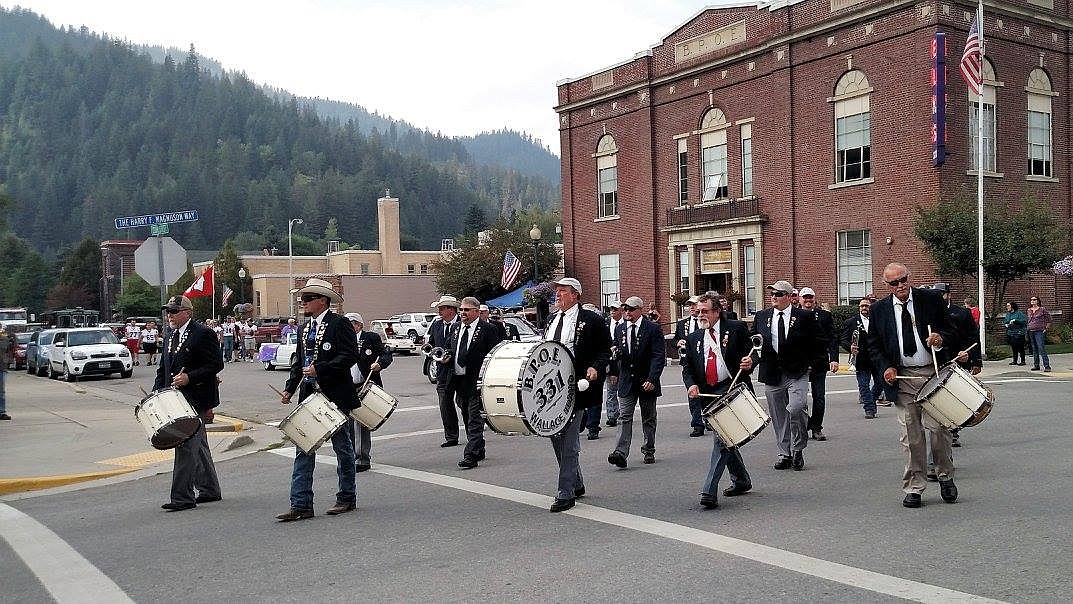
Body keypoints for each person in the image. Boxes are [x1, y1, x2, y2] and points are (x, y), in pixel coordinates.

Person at [865, 263, 957, 508]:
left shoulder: (931, 299)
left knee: (939, 431)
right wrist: (886, 366)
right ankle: (914, 487)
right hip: (903, 377)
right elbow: (873, 344)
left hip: (933, 372)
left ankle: (945, 476)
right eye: (894, 283)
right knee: (911, 435)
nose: (900, 286)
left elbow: (951, 328)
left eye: (903, 280)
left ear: (909, 277)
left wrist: (940, 339)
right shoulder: (879, 310)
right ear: (886, 285)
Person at [276, 278, 361, 521]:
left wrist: (321, 369)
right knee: (304, 447)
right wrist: (290, 389)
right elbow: (299, 361)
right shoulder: (304, 328)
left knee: (342, 447)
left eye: (307, 299)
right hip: (310, 395)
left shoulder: (339, 324)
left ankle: (347, 496)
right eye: (302, 299)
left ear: (322, 301)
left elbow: (349, 356)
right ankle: (301, 503)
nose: (302, 303)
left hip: (335, 395)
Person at [543, 277, 611, 512]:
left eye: (563, 291)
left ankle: (565, 492)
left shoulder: (591, 320)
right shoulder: (552, 319)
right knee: (554, 433)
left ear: (575, 295)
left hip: (577, 385)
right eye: (557, 292)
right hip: (552, 387)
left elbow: (605, 350)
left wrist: (596, 367)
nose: (558, 295)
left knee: (570, 440)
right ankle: (576, 482)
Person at [682, 294, 755, 509]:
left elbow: (755, 351)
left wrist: (751, 361)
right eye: (698, 310)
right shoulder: (694, 338)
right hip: (708, 394)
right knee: (726, 438)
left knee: (722, 438)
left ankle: (709, 490)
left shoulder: (737, 328)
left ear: (716, 312)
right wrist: (691, 385)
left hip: (732, 389)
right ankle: (741, 480)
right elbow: (688, 368)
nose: (699, 314)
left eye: (704, 311)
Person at [154, 296, 224, 511]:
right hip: (176, 400)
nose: (170, 315)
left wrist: (190, 377)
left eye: (174, 311)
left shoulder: (203, 333)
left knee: (185, 446)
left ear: (188, 312)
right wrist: (157, 392)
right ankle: (210, 489)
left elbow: (216, 364)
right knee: (198, 445)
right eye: (168, 311)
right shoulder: (170, 335)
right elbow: (164, 368)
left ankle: (182, 497)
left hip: (197, 397)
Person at [751, 280, 825, 471]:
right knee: (778, 416)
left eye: (778, 294)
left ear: (789, 297)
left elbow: (817, 343)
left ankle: (798, 448)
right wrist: (750, 361)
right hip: (772, 372)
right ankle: (784, 453)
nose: (774, 297)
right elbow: (754, 343)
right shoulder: (762, 316)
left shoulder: (804, 317)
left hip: (797, 371)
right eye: (772, 294)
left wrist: (812, 365)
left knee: (796, 408)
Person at [446, 296, 504, 469]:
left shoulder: (488, 329)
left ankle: (470, 455)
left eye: (466, 310)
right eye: (461, 310)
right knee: (466, 415)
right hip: (459, 379)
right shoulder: (456, 328)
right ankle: (479, 448)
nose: (463, 313)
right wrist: (445, 357)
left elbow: (494, 353)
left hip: (477, 380)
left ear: (477, 312)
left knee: (474, 418)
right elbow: (452, 349)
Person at [608, 296, 666, 467]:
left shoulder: (652, 329)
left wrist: (652, 378)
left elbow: (658, 356)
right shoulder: (620, 329)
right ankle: (620, 452)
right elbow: (615, 350)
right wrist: (613, 368)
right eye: (625, 309)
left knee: (648, 417)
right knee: (624, 416)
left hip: (646, 379)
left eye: (631, 309)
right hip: (627, 380)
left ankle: (649, 449)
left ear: (640, 310)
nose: (627, 313)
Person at [931, 283, 982, 453]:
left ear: (948, 295)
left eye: (942, 294)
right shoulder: (928, 313)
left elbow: (973, 337)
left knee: (956, 397)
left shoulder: (962, 312)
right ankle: (945, 431)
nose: (938, 297)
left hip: (960, 359)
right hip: (937, 362)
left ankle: (953, 430)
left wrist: (975, 360)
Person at [345, 312, 392, 473]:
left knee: (362, 423)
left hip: (365, 385)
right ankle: (349, 457)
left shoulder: (370, 338)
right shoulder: (343, 340)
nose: (349, 327)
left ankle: (363, 458)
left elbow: (386, 355)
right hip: (347, 386)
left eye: (352, 324)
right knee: (348, 424)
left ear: (359, 325)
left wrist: (380, 365)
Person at [799, 287, 839, 441]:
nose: (808, 301)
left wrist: (834, 358)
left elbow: (832, 338)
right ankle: (806, 423)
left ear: (814, 299)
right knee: (798, 400)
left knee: (819, 398)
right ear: (800, 299)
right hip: (800, 364)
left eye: (810, 298)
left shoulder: (825, 316)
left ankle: (817, 427)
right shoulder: (794, 315)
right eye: (805, 298)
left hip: (819, 363)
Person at [841, 296, 889, 419]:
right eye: (862, 306)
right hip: (861, 359)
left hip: (876, 358)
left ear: (871, 307)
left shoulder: (877, 320)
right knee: (863, 385)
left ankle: (871, 402)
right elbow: (843, 340)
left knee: (880, 383)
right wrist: (850, 347)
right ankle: (869, 408)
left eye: (866, 306)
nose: (864, 308)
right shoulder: (851, 322)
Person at [427, 295, 461, 447]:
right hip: (442, 370)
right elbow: (432, 343)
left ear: (451, 310)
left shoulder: (461, 324)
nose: (439, 311)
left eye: (442, 308)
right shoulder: (437, 324)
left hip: (459, 370)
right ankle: (451, 436)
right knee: (444, 404)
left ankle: (474, 433)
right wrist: (431, 350)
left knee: (464, 404)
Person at [673, 295, 706, 437]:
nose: (691, 308)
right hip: (689, 362)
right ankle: (697, 423)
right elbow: (676, 338)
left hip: (705, 360)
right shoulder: (683, 324)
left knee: (708, 391)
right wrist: (678, 343)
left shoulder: (706, 320)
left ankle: (709, 419)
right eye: (689, 305)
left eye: (694, 305)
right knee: (693, 392)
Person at [1027, 296, 1052, 372]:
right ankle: (1036, 365)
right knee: (1034, 348)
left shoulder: (1042, 309)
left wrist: (1046, 328)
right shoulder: (1029, 310)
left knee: (1041, 348)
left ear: (1037, 301)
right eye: (1031, 300)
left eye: (1034, 300)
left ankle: (1047, 366)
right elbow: (1028, 320)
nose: (1032, 301)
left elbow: (1049, 319)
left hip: (1039, 331)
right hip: (1031, 330)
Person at [1003, 301, 1028, 366]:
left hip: (1019, 333)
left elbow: (1024, 322)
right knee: (1014, 347)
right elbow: (1006, 321)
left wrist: (1015, 321)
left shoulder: (1019, 313)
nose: (1007, 307)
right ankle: (1014, 360)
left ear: (1012, 306)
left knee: (1020, 347)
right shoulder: (1008, 314)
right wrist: (1006, 324)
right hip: (1010, 333)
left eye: (1008, 306)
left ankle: (1023, 361)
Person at [1, 328, 12, 420]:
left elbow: (6, 349)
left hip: (1, 368)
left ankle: (2, 411)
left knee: (1, 391)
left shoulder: (4, 339)